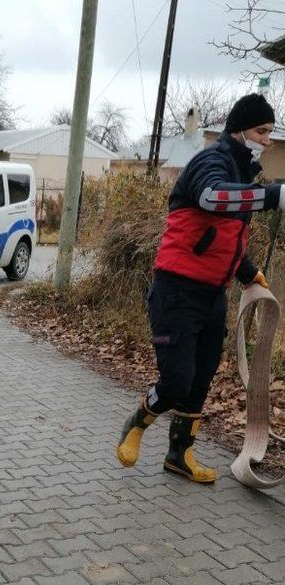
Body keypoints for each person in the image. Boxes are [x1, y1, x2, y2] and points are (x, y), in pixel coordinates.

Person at [116, 93, 285, 483]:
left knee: (200, 378)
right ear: (239, 129)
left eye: (270, 133)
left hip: (212, 295)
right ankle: (138, 420)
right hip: (176, 292)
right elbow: (211, 199)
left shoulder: (242, 173)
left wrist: (249, 274)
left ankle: (179, 455)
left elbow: (223, 238)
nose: (267, 141)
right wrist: (273, 196)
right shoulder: (211, 162)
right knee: (177, 380)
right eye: (262, 131)